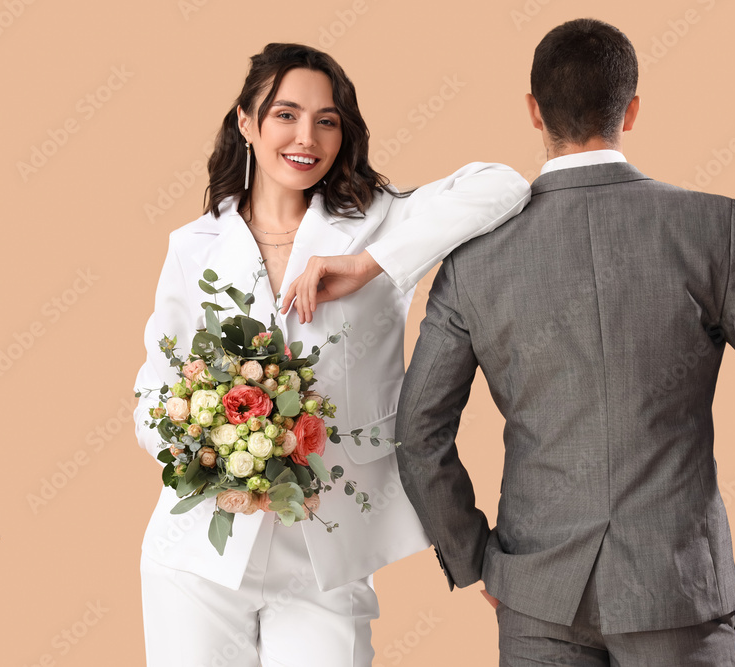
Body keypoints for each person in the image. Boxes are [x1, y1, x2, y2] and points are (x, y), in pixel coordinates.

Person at [393, 18, 735, 666]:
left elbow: (416, 434)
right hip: (677, 593)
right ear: (631, 108)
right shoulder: (706, 226)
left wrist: (476, 560)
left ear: (533, 110)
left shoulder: (475, 257)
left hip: (538, 597)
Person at [131, 42, 529, 667]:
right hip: (200, 555)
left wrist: (368, 265)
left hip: (328, 548)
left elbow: (503, 185)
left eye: (327, 120)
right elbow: (153, 390)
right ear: (246, 121)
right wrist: (213, 457)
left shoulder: (379, 222)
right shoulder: (193, 246)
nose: (306, 137)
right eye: (285, 114)